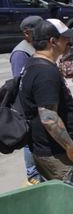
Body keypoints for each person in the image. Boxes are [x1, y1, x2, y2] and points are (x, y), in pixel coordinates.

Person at [18, 19, 73, 181]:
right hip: (58, 154)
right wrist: (70, 148)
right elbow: (49, 118)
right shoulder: (45, 73)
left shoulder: (34, 63)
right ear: (53, 41)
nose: (69, 42)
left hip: (49, 150)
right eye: (65, 39)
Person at [11, 15, 45, 184]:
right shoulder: (21, 53)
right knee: (28, 139)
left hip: (37, 101)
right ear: (27, 33)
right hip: (26, 105)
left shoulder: (34, 48)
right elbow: (19, 81)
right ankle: (32, 174)